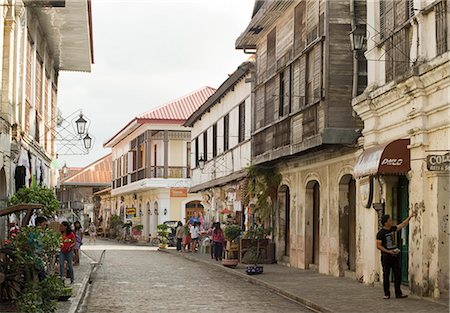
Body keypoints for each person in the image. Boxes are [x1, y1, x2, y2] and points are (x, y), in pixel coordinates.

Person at [376, 211, 415, 299]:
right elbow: (378, 246)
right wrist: (388, 251)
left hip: (395, 256)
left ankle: (398, 293)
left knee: (398, 274)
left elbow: (402, 225)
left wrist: (410, 217)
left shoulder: (392, 229)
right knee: (386, 275)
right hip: (386, 257)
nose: (391, 221)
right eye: (389, 220)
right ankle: (386, 293)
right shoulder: (380, 233)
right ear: (385, 222)